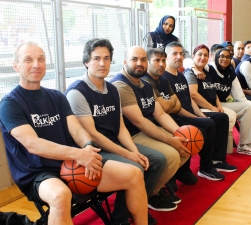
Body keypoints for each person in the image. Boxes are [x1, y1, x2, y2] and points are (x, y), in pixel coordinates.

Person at [0, 42, 148, 225]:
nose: (36, 64)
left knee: (134, 174)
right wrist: (80, 154)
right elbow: (33, 145)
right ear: (16, 66)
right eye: (28, 60)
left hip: (72, 165)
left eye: (41, 59)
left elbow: (77, 129)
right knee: (61, 195)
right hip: (38, 173)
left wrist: (87, 148)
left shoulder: (56, 96)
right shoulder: (10, 104)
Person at [65, 38, 167, 225]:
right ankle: (125, 218)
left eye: (106, 58)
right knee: (135, 167)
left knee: (156, 160)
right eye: (96, 58)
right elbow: (93, 135)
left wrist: (134, 152)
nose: (102, 63)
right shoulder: (76, 92)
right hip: (95, 152)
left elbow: (120, 127)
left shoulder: (112, 89)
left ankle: (123, 214)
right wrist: (128, 155)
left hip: (115, 145)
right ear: (86, 61)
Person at [110, 46, 190, 212]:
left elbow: (160, 114)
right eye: (134, 59)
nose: (139, 63)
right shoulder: (120, 85)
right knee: (171, 156)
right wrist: (170, 140)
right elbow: (139, 122)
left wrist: (179, 133)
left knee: (186, 145)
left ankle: (154, 191)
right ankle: (145, 197)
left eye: (143, 59)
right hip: (131, 135)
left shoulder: (145, 84)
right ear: (125, 62)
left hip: (148, 130)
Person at [143, 47, 236, 182]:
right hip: (173, 118)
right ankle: (200, 167)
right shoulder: (161, 77)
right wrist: (183, 110)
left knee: (221, 118)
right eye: (174, 54)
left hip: (183, 113)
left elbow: (182, 102)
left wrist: (198, 116)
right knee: (205, 126)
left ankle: (215, 160)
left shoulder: (179, 76)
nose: (179, 56)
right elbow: (167, 108)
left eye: (181, 53)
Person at [184, 44, 251, 148]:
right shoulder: (210, 68)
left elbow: (238, 94)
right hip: (215, 104)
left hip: (225, 102)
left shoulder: (230, 72)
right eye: (221, 56)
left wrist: (247, 103)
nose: (225, 59)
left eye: (228, 57)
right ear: (216, 57)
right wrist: (193, 68)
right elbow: (188, 61)